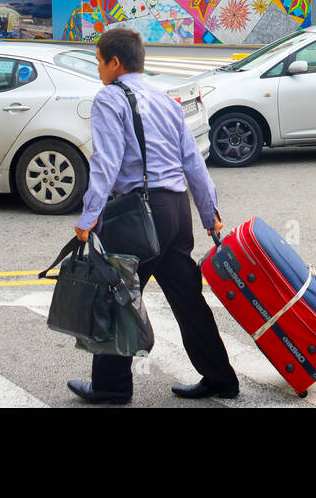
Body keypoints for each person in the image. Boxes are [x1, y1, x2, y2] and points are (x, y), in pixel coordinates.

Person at [67, 27, 240, 405]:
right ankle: (221, 377)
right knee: (188, 298)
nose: (98, 69)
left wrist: (88, 216)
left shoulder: (110, 99)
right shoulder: (165, 100)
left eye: (99, 61)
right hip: (176, 211)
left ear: (115, 63)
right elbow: (192, 160)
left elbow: (106, 162)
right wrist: (209, 213)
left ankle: (111, 387)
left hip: (138, 214)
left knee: (116, 295)